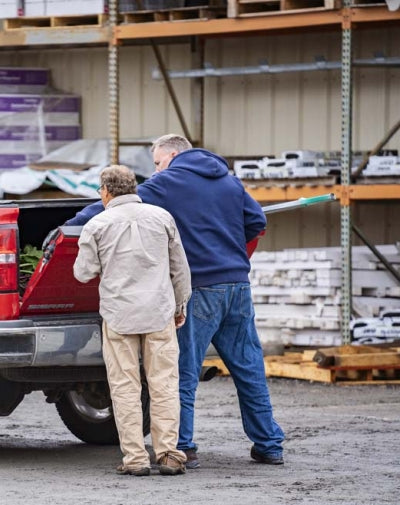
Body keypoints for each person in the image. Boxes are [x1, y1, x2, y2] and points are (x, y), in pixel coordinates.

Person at [66, 134, 285, 469]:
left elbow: (114, 205)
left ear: (170, 155)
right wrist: (227, 247)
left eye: (156, 162)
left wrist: (69, 224)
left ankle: (182, 447)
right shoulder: (230, 182)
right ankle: (268, 444)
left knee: (181, 372)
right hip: (238, 287)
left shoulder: (167, 183)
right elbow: (257, 222)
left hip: (200, 289)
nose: (155, 169)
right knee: (249, 367)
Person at [73, 165, 191, 477]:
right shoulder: (162, 217)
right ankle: (168, 454)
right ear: (134, 188)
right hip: (159, 311)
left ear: (105, 191)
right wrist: (180, 306)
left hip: (119, 315)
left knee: (125, 387)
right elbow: (180, 268)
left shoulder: (96, 224)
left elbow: (82, 272)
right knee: (164, 384)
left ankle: (136, 459)